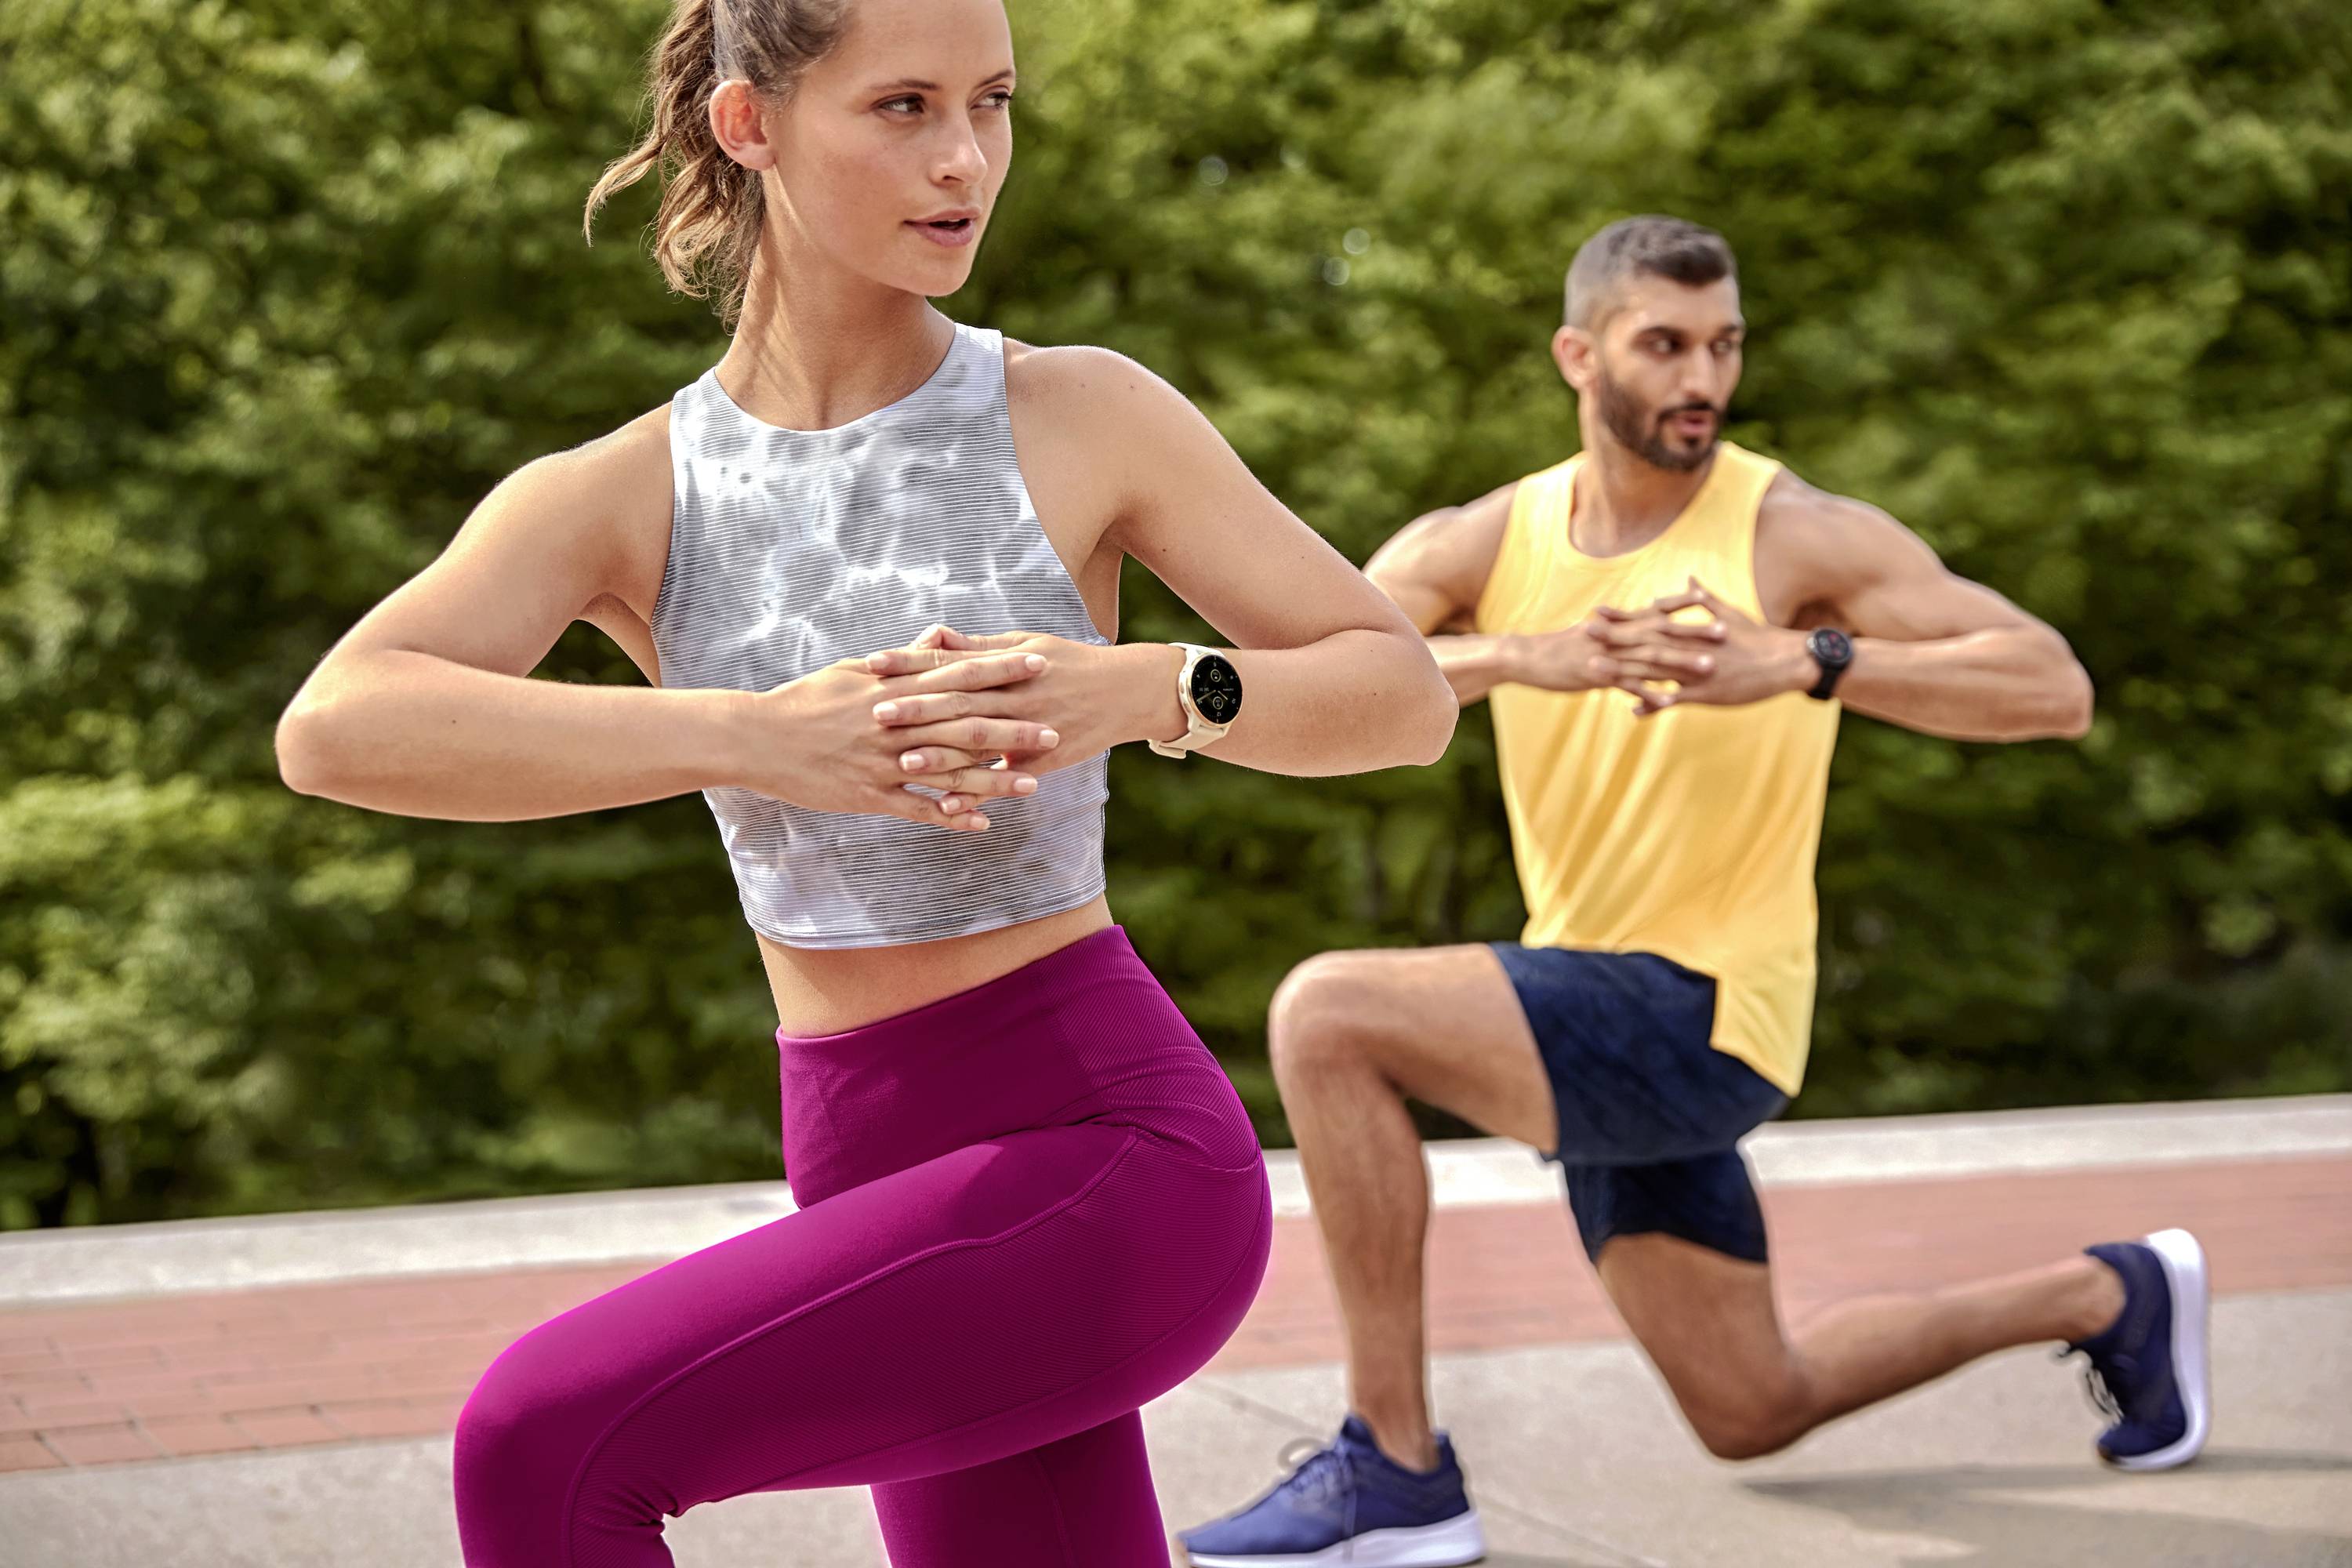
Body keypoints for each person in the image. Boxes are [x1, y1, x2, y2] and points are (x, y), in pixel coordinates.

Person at [272, 0, 1458, 1562]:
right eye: (902, 106)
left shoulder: (1077, 412)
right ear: (748, 123)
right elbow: (340, 724)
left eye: (994, 101)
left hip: (1106, 1150)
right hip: (857, 1148)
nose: (967, 159)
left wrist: (1155, 689)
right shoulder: (628, 490)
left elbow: (1403, 695)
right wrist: (754, 733)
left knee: (541, 1440)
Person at [1177, 216, 2209, 1567]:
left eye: (1723, 345)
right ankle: (2113, 1291)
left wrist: (1811, 661)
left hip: (1713, 1009)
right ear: (1578, 354)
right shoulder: (1486, 540)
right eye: (1665, 345)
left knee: (1328, 1016)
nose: (1701, 379)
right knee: (1750, 1404)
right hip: (1595, 1009)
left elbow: (2052, 688)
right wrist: (1524, 656)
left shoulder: (1794, 534)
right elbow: (1323, 691)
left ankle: (1396, 1468)